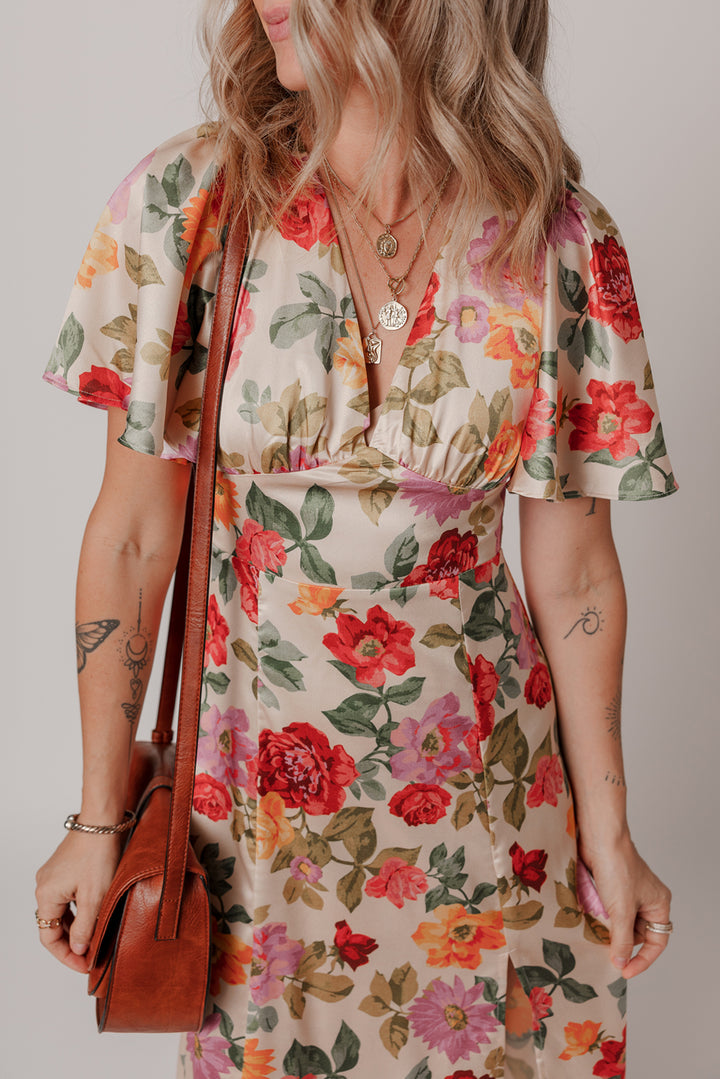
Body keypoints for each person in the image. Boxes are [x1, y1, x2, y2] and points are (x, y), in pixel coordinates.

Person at [35, 1, 677, 1075]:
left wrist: (609, 832)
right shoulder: (190, 204)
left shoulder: (558, 238)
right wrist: (99, 820)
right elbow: (135, 537)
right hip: (253, 829)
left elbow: (574, 579)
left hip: (496, 821)